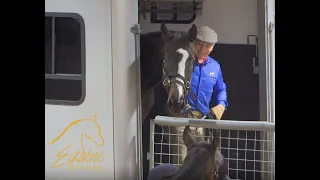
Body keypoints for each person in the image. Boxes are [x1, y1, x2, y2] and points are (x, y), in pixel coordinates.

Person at [188, 26, 228, 120]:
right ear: (193, 43)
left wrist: (221, 106)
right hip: (179, 120)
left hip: (204, 119)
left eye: (207, 46)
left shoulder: (215, 67)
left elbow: (221, 90)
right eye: (199, 44)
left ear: (212, 47)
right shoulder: (183, 62)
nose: (202, 49)